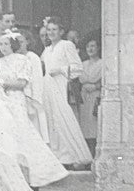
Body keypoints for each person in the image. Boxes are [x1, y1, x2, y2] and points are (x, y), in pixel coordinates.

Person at [0, 32, 73, 187]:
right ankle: (18, 176)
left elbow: (22, 83)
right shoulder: (1, 61)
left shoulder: (23, 60)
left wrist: (3, 83)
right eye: (1, 44)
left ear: (13, 45)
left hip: (16, 99)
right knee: (9, 134)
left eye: (6, 44)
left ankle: (41, 172)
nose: (3, 48)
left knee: (23, 133)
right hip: (4, 100)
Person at [40, 19, 95, 168]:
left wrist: (60, 70)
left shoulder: (66, 45)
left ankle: (73, 155)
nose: (51, 33)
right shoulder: (47, 49)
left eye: (54, 30)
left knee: (63, 117)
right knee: (51, 120)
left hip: (60, 85)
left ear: (61, 31)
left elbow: (77, 67)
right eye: (49, 30)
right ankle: (58, 155)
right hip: (48, 87)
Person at [78, 37, 104, 157]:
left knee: (94, 125)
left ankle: (95, 155)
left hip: (95, 96)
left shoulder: (102, 63)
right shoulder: (83, 64)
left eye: (93, 46)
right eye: (88, 46)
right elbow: (80, 78)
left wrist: (96, 86)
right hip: (85, 97)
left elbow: (105, 80)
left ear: (98, 48)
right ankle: (86, 156)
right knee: (85, 126)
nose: (90, 49)